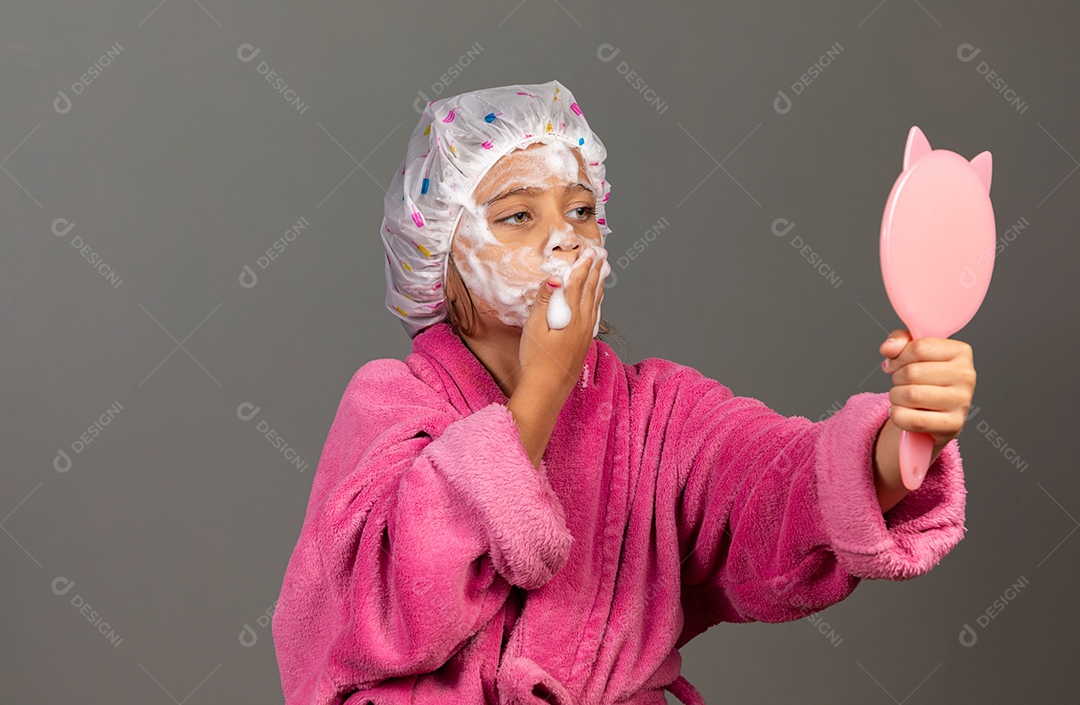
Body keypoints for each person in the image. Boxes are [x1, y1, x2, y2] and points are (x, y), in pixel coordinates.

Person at [271, 80, 975, 705]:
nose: (565, 240)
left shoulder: (655, 415)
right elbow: (380, 608)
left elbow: (775, 488)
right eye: (519, 216)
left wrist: (898, 438)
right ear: (438, 254)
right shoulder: (392, 402)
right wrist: (543, 388)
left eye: (580, 211)